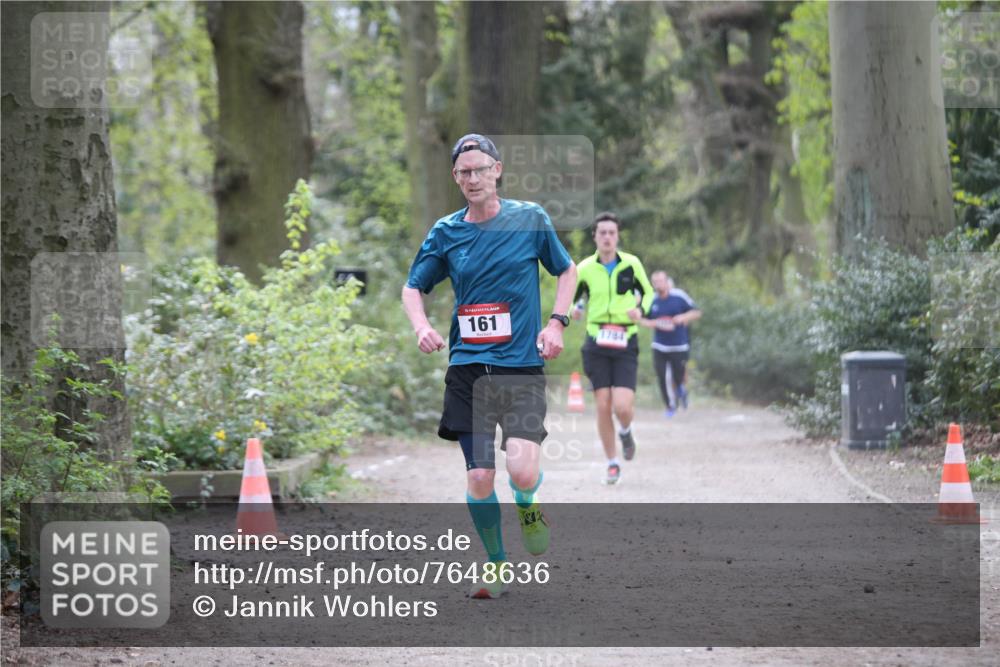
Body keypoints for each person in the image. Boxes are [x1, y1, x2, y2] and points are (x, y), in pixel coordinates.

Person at [402, 133, 577, 599]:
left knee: (521, 471)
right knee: (479, 476)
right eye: (464, 172)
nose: (473, 178)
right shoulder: (446, 232)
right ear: (455, 178)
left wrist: (557, 324)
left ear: (497, 170)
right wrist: (420, 326)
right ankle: (497, 563)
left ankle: (527, 502)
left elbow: (566, 270)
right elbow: (412, 286)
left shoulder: (529, 219)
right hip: (467, 369)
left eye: (480, 169)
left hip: (519, 368)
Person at [571, 212, 653, 485]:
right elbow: (570, 299)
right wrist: (574, 310)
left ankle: (626, 431)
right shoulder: (583, 268)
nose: (607, 237)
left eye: (612, 233)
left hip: (625, 340)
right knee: (603, 405)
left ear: (617, 236)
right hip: (595, 342)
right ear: (594, 236)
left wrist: (640, 309)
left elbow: (649, 293)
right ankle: (612, 462)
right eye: (602, 232)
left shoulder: (631, 264)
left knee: (623, 406)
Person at [640, 271, 701, 417]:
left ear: (667, 282)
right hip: (659, 345)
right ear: (653, 284)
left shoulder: (679, 296)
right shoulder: (651, 300)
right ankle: (670, 406)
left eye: (661, 281)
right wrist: (652, 323)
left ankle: (681, 389)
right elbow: (641, 318)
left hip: (679, 344)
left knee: (678, 376)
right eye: (655, 282)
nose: (659, 284)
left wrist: (683, 317)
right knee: (663, 376)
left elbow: (697, 312)